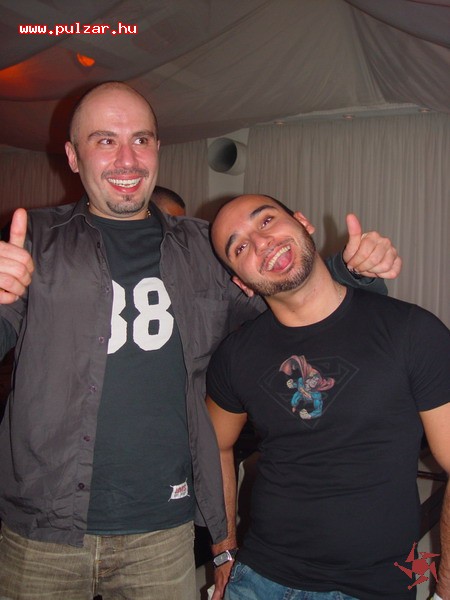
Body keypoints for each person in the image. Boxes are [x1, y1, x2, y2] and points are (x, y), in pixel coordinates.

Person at [0, 82, 401, 600]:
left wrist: (356, 271)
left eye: (141, 140)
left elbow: (293, 306)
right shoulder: (32, 240)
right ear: (74, 157)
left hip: (163, 527)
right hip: (41, 527)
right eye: (105, 141)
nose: (127, 159)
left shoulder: (206, 248)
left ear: (157, 149)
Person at [206, 194, 450, 600]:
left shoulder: (412, 331)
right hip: (258, 578)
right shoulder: (235, 355)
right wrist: (223, 550)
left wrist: (445, 589)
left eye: (266, 221)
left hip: (373, 586)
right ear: (241, 282)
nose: (262, 243)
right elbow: (214, 445)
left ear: (303, 223)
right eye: (240, 247)